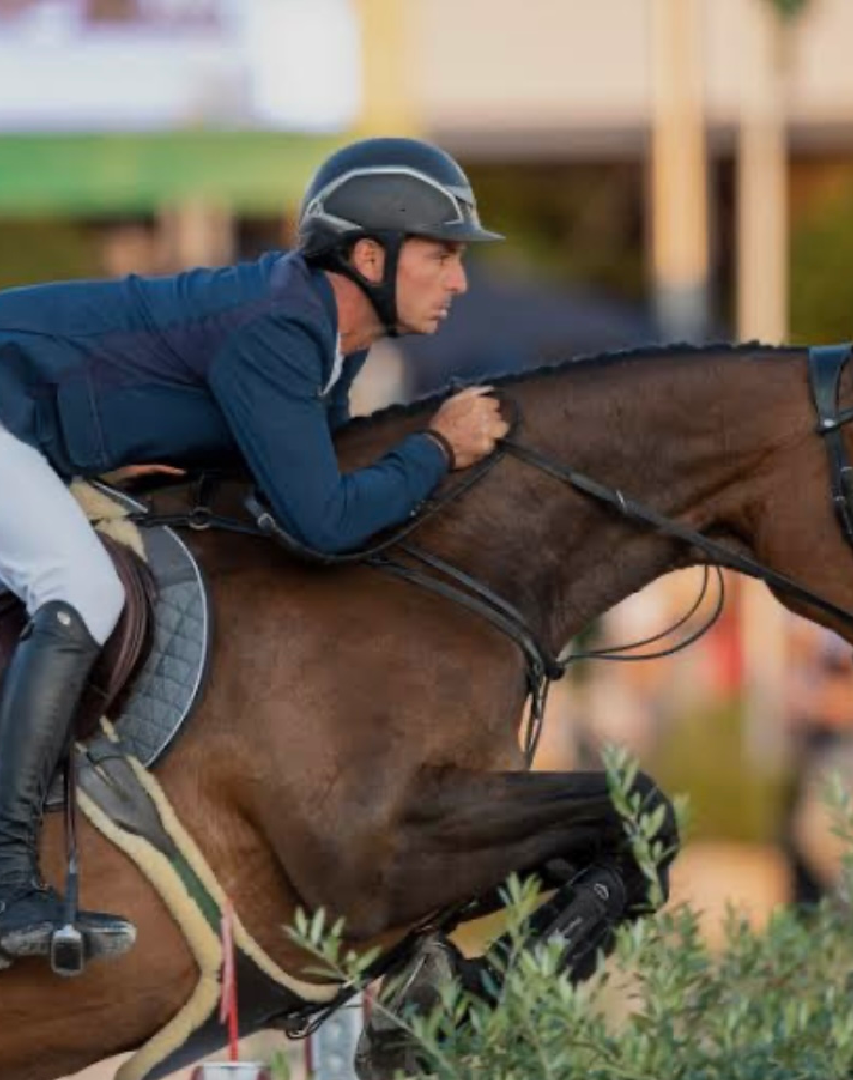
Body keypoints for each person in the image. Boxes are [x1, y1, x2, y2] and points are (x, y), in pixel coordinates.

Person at [0, 136, 510, 964]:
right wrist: (437, 451)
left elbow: (296, 498)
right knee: (82, 588)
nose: (459, 279)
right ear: (369, 256)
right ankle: (3, 887)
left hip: (30, 433)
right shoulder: (279, 327)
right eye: (441, 255)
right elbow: (325, 521)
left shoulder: (329, 342)